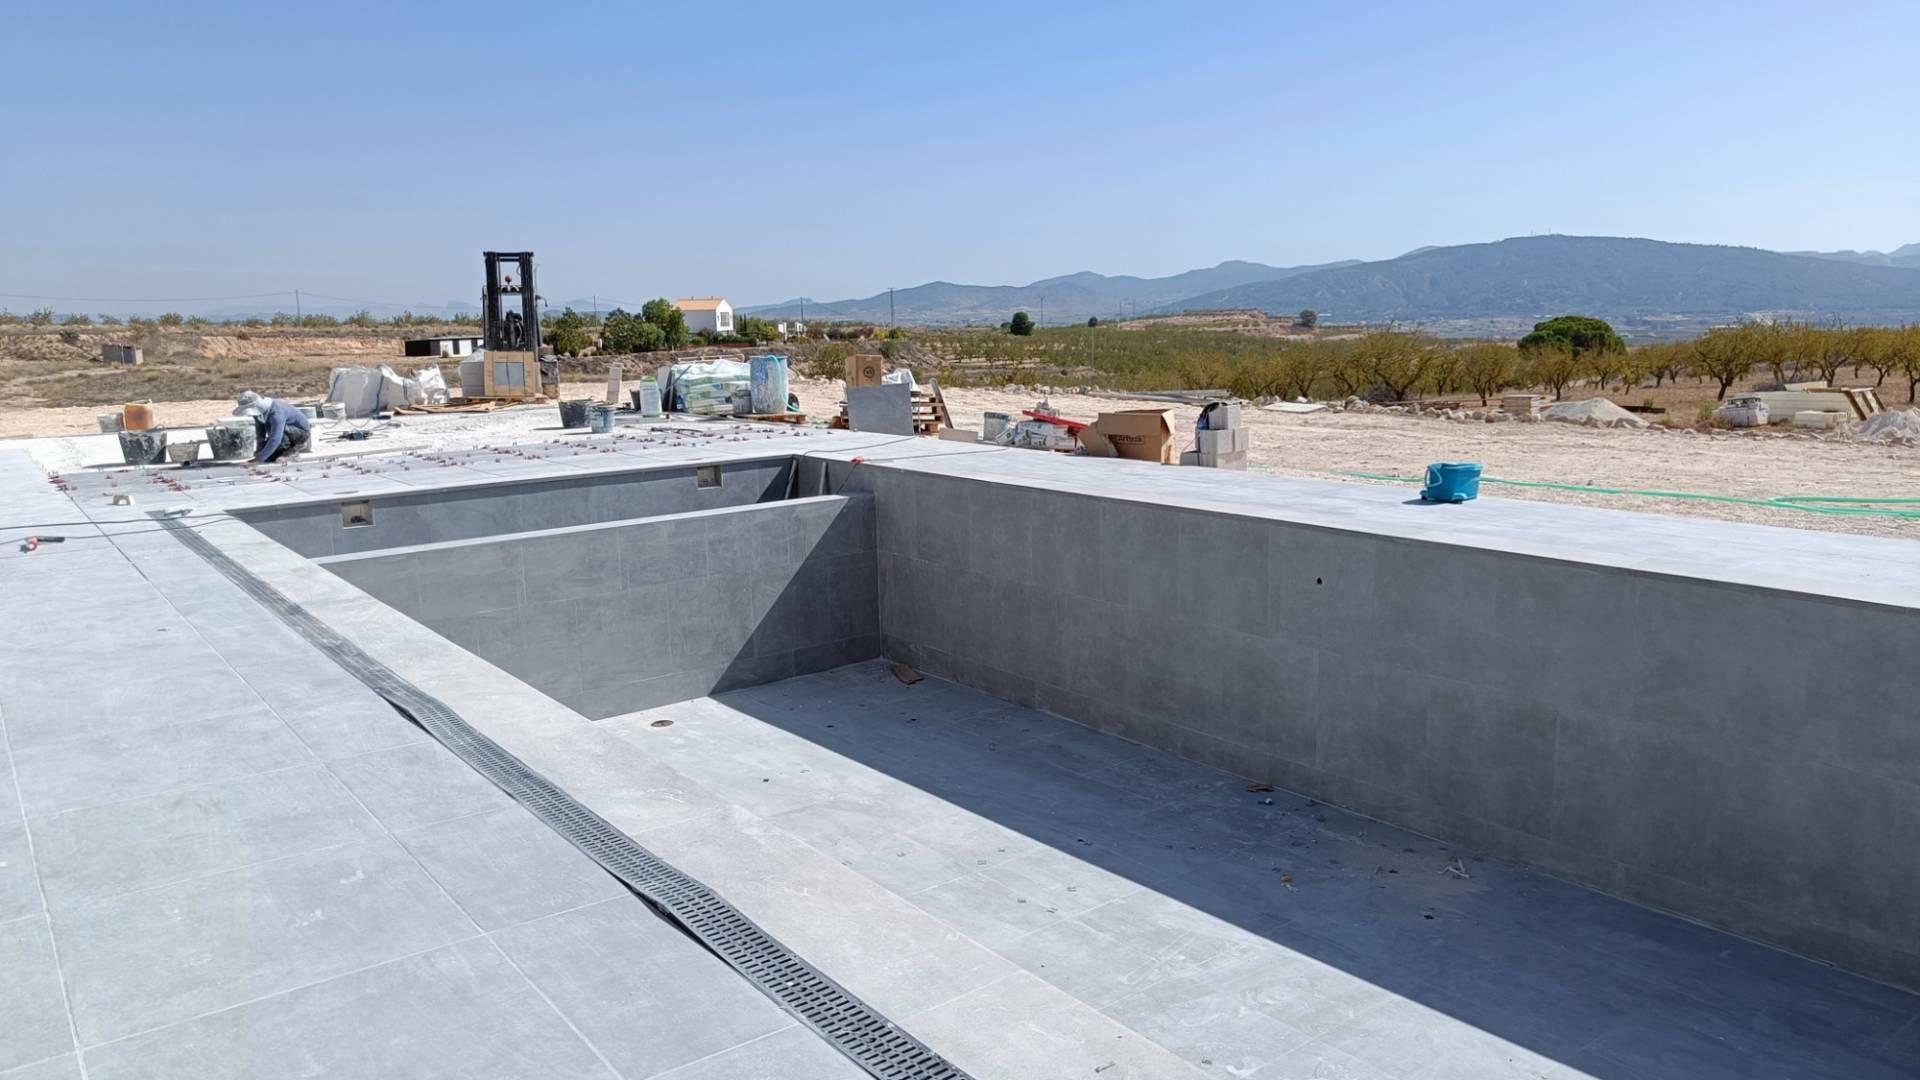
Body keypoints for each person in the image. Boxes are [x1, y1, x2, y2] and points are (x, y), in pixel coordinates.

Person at [235, 391, 311, 463]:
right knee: (268, 457)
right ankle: (280, 453)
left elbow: (275, 438)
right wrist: (259, 452)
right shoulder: (258, 414)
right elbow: (260, 434)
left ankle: (291, 453)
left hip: (300, 433)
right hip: (282, 435)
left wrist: (260, 459)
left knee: (277, 430)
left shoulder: (276, 413)